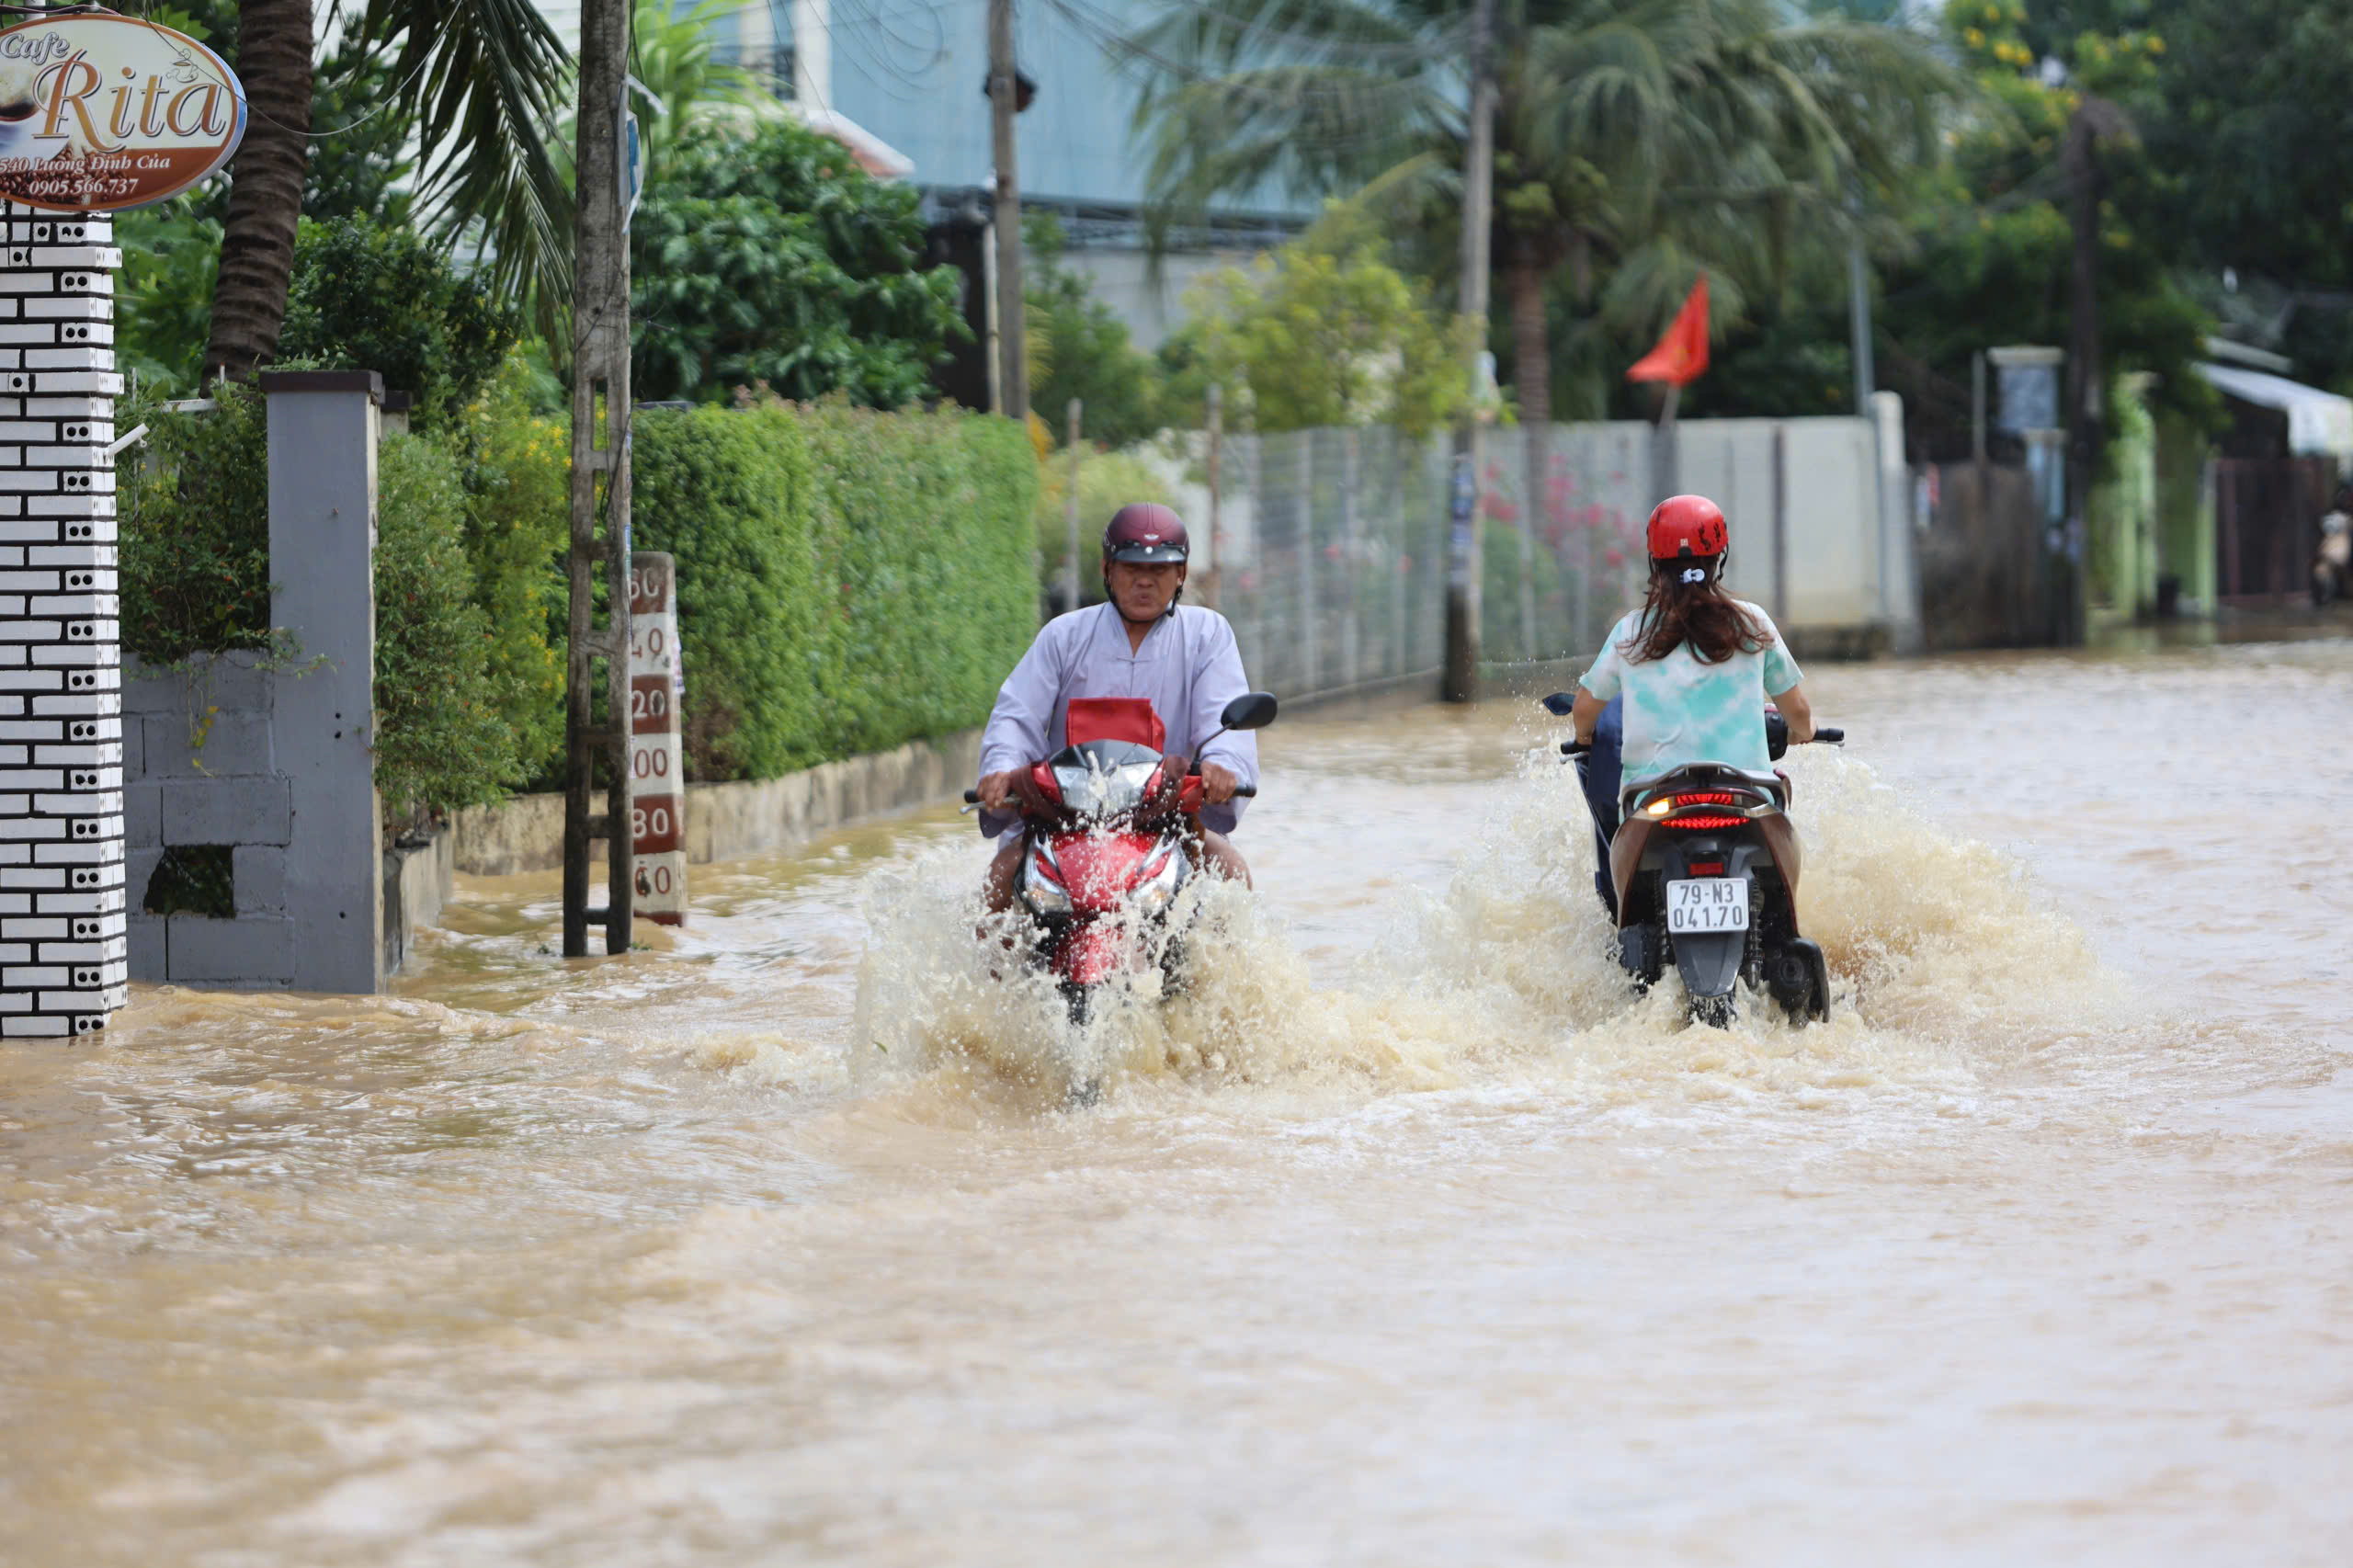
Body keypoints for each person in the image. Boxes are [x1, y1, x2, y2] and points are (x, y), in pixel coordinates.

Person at [974, 503, 1258, 910]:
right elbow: (1015, 717)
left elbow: (1225, 718)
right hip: (1063, 821)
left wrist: (1222, 768)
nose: (1145, 582)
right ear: (1108, 570)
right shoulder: (1063, 636)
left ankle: (1230, 975)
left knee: (1230, 873)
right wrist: (999, 772)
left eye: (1159, 570)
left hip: (1170, 820)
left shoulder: (1208, 635)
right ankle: (989, 976)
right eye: (1131, 569)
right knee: (998, 882)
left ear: (1181, 574)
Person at [1568, 494, 1813, 916]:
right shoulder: (1752, 623)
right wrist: (1801, 734)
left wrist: (1585, 738)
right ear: (1721, 555)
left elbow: (1584, 710)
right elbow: (1801, 715)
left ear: (1653, 561)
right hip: (1747, 797)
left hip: (1652, 803)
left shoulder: (1630, 633)